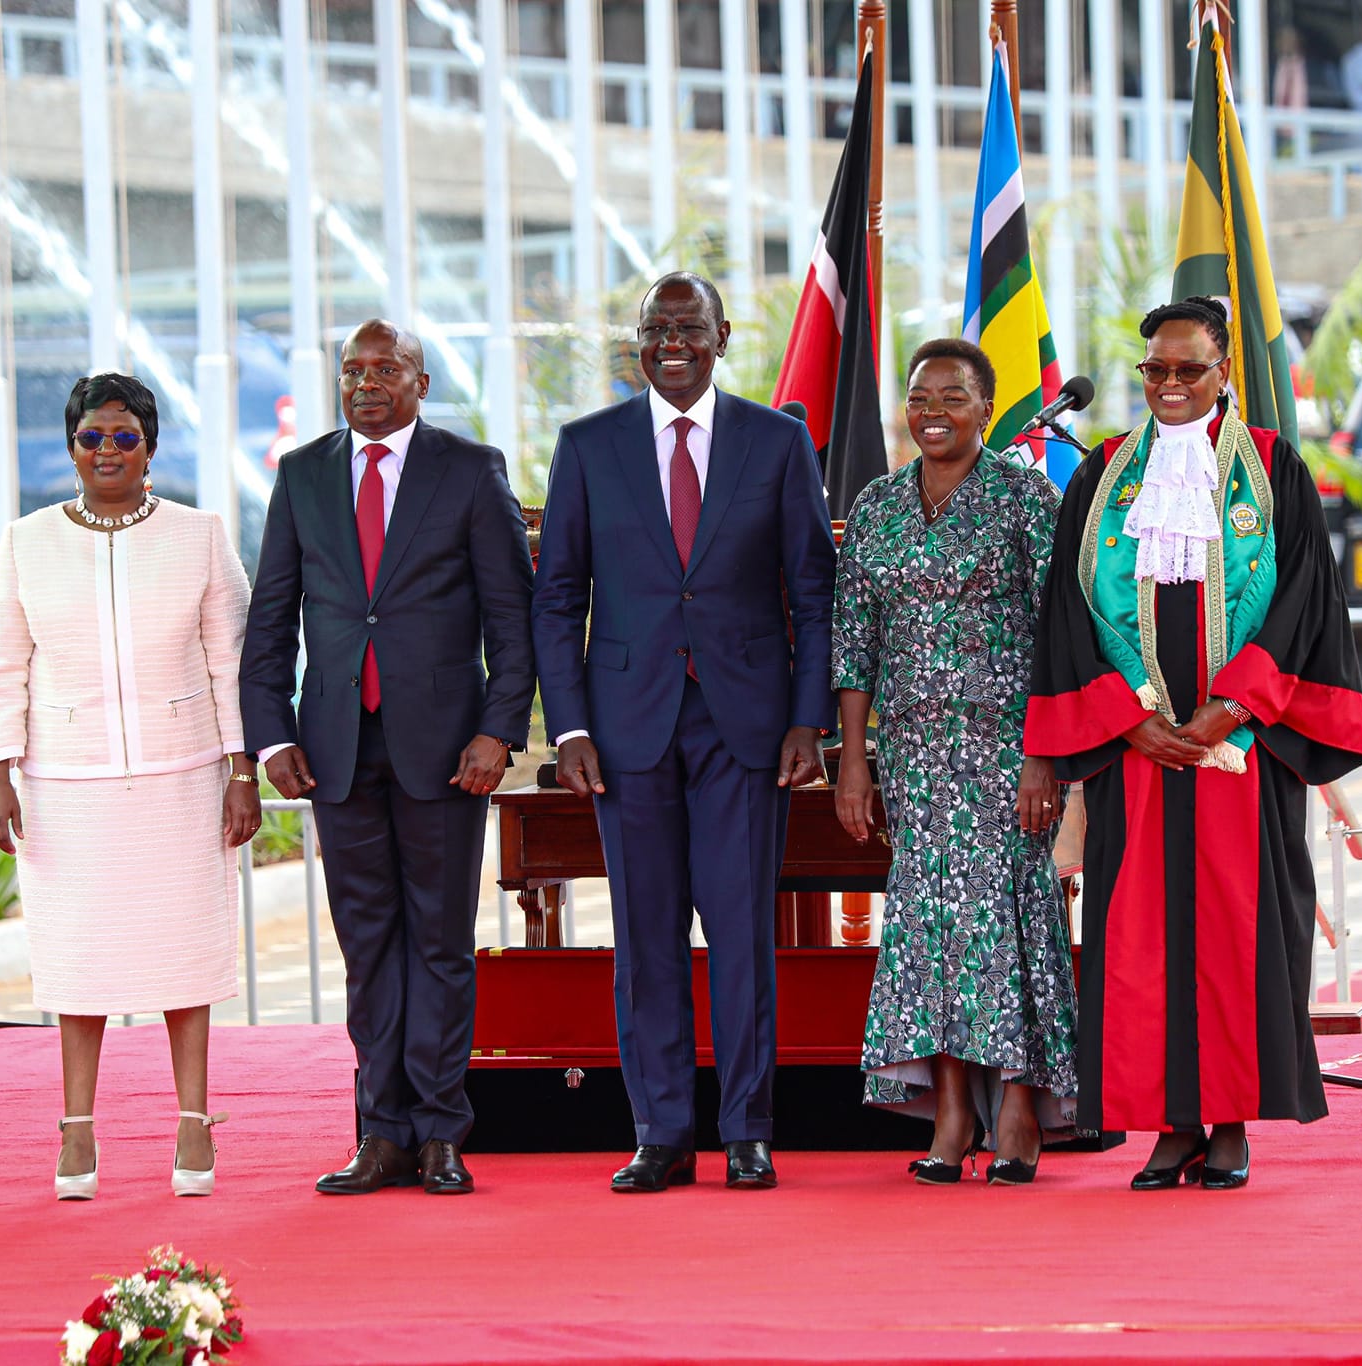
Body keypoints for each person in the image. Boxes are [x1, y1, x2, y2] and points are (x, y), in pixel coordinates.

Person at [1024, 298, 1362, 1191]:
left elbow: (1304, 603)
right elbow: (1067, 611)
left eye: (1189, 370)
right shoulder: (1105, 475)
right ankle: (1169, 1126)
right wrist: (1124, 717)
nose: (1170, 385)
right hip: (1138, 754)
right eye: (1156, 371)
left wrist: (1235, 708)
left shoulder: (1272, 470)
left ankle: (1228, 1124)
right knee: (1139, 938)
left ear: (1225, 374)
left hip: (1236, 754)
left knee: (1238, 931)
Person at [531, 271, 836, 1193]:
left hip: (745, 729)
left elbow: (814, 597)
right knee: (645, 937)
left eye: (689, 327)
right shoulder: (587, 447)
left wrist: (807, 721)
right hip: (625, 734)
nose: (672, 342)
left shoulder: (779, 443)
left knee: (743, 936)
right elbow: (558, 599)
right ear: (639, 341)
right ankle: (660, 1132)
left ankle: (747, 1128)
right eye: (656, 328)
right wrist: (570, 726)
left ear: (723, 334)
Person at [240, 320, 535, 1197]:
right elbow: (271, 620)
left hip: (448, 752)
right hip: (334, 749)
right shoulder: (301, 476)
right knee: (367, 947)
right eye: (351, 370)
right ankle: (382, 1133)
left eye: (385, 369)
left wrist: (498, 731)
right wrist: (273, 735)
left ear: (421, 380)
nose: (366, 383)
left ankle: (442, 1131)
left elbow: (509, 623)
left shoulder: (470, 469)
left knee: (440, 945)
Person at [0, 372, 258, 1202]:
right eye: (92, 437)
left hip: (185, 778)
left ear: (151, 447)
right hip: (66, 785)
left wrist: (243, 772)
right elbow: (1, 667)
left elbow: (233, 664)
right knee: (78, 963)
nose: (107, 451)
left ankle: (195, 1124)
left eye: (124, 437)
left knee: (186, 957)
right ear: (70, 448)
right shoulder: (25, 542)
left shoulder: (201, 535)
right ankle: (76, 1131)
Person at [831, 340, 1078, 1186]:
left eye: (953, 396)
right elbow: (853, 644)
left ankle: (1016, 1101)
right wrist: (855, 764)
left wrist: (1047, 756)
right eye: (918, 396)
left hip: (1009, 750)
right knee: (929, 928)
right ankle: (949, 1110)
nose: (933, 410)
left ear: (986, 407)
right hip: (913, 754)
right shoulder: (876, 506)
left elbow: (1061, 633)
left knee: (1005, 921)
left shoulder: (1022, 496)